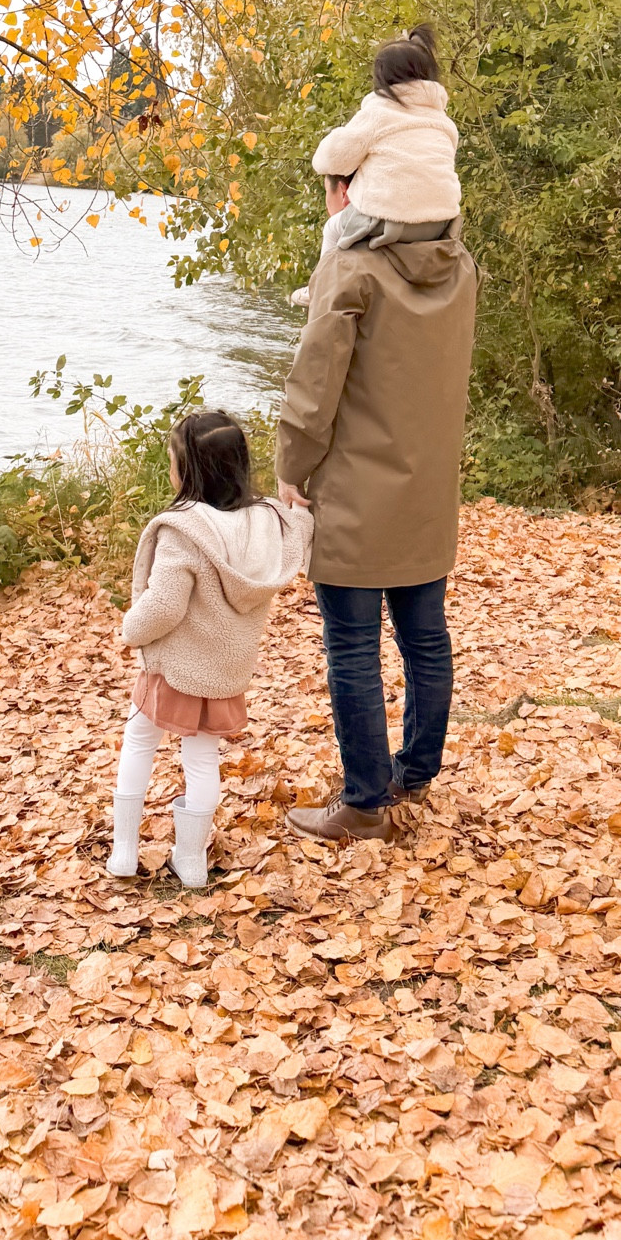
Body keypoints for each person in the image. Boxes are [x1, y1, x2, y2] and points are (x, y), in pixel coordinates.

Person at [276, 123, 477, 842]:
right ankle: (414, 772)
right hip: (427, 489)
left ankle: (364, 801)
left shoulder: (352, 271)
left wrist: (291, 468)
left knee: (353, 645)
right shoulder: (461, 269)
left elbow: (313, 386)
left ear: (349, 193)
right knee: (425, 638)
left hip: (359, 492)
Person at [108, 409, 312, 887]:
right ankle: (192, 862)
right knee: (202, 759)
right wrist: (296, 502)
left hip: (176, 668)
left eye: (175, 462)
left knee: (139, 743)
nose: (172, 471)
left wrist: (128, 630)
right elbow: (302, 528)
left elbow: (163, 606)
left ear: (190, 471)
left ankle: (123, 854)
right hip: (223, 670)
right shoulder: (268, 523)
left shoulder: (186, 531)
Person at [291, 26, 460, 306]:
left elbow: (329, 160)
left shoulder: (378, 113)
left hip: (389, 219)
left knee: (333, 228)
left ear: (383, 79)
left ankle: (317, 287)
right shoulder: (444, 122)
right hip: (441, 223)